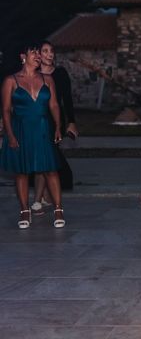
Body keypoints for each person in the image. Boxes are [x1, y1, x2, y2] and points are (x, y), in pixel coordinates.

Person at [0, 42, 65, 228]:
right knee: (22, 172)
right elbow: (5, 111)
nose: (38, 55)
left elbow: (53, 105)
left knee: (50, 169)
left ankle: (59, 208)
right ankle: (24, 210)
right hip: (20, 128)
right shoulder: (10, 81)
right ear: (23, 56)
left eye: (39, 53)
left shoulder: (48, 80)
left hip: (44, 128)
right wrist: (10, 135)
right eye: (34, 52)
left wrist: (58, 126)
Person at [31, 40, 77, 216]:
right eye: (45, 51)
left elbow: (67, 99)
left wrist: (71, 121)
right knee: (41, 160)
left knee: (45, 157)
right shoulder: (32, 74)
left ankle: (38, 200)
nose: (50, 54)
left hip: (54, 122)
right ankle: (42, 197)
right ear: (39, 54)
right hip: (36, 121)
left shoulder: (60, 74)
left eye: (52, 51)